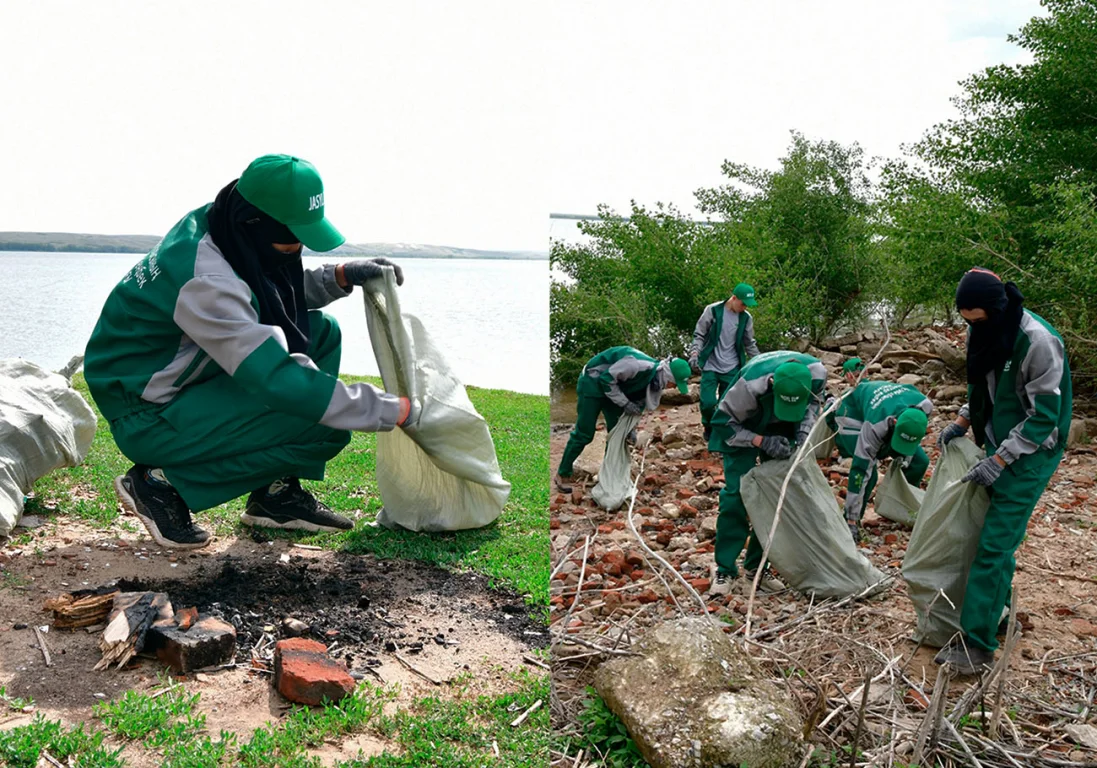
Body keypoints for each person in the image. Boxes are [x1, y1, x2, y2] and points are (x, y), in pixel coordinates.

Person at [84, 154, 416, 550]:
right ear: (253, 224)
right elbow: (275, 378)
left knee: (320, 334)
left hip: (175, 382)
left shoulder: (222, 225)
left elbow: (257, 291)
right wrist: (392, 410)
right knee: (324, 426)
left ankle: (274, 496)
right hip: (147, 414)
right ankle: (159, 483)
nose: (296, 249)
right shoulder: (206, 279)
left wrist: (337, 277)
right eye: (290, 238)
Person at [934, 268, 1071, 675]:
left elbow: (1043, 417)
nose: (972, 328)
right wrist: (962, 420)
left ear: (996, 309)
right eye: (967, 321)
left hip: (1033, 452)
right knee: (988, 537)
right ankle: (1000, 613)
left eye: (977, 320)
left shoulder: (1039, 343)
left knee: (994, 545)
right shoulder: (986, 328)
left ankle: (977, 645)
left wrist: (1000, 460)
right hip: (999, 441)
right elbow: (985, 384)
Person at [707, 351, 827, 595]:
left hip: (785, 422)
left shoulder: (817, 375)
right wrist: (760, 441)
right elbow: (723, 424)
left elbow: (813, 404)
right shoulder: (747, 387)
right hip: (745, 423)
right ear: (772, 383)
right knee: (736, 496)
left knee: (777, 494)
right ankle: (725, 569)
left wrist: (803, 433)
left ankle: (758, 569)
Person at [553, 347, 692, 492]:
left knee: (617, 434)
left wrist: (630, 429)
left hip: (614, 389)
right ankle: (563, 474)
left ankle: (607, 476)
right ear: (668, 376)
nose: (673, 387)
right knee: (584, 433)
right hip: (592, 382)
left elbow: (639, 404)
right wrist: (625, 403)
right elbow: (606, 379)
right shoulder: (637, 366)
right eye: (674, 383)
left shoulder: (655, 379)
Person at [827, 381, 932, 543]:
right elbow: (860, 470)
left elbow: (912, 435)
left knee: (919, 462)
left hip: (888, 411)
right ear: (895, 423)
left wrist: (906, 456)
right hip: (852, 413)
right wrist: (851, 520)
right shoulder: (875, 425)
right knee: (870, 476)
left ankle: (901, 506)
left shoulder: (925, 406)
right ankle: (851, 519)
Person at [688, 283, 761, 441]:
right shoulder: (713, 311)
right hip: (710, 365)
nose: (744, 308)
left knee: (726, 405)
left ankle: (720, 434)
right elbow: (699, 334)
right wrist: (694, 353)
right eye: (743, 304)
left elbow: (749, 343)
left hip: (732, 367)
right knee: (707, 403)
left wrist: (759, 362)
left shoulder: (746, 318)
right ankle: (708, 425)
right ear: (733, 298)